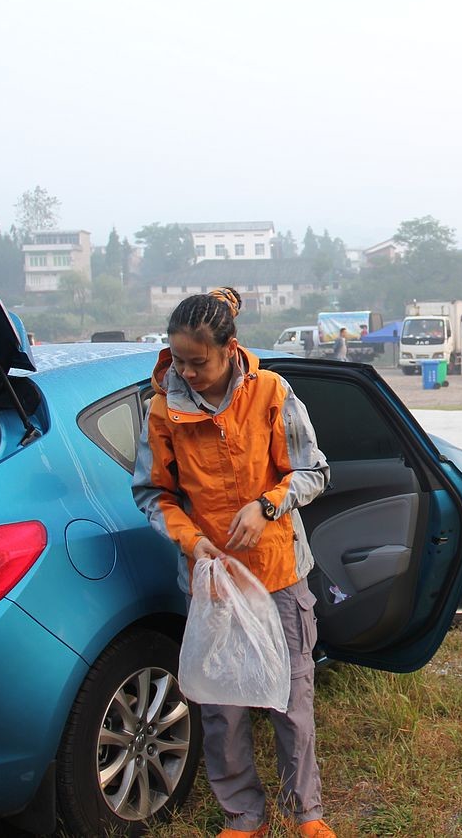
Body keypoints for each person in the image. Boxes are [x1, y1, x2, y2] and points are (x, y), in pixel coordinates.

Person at [133, 287, 336, 838]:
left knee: (292, 698)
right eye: (179, 361)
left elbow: (313, 472)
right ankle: (243, 815)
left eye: (198, 362)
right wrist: (192, 543)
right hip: (213, 579)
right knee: (222, 705)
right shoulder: (163, 409)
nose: (188, 373)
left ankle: (307, 813)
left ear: (229, 350)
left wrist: (267, 505)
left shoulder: (270, 392)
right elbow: (154, 494)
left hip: (278, 571)